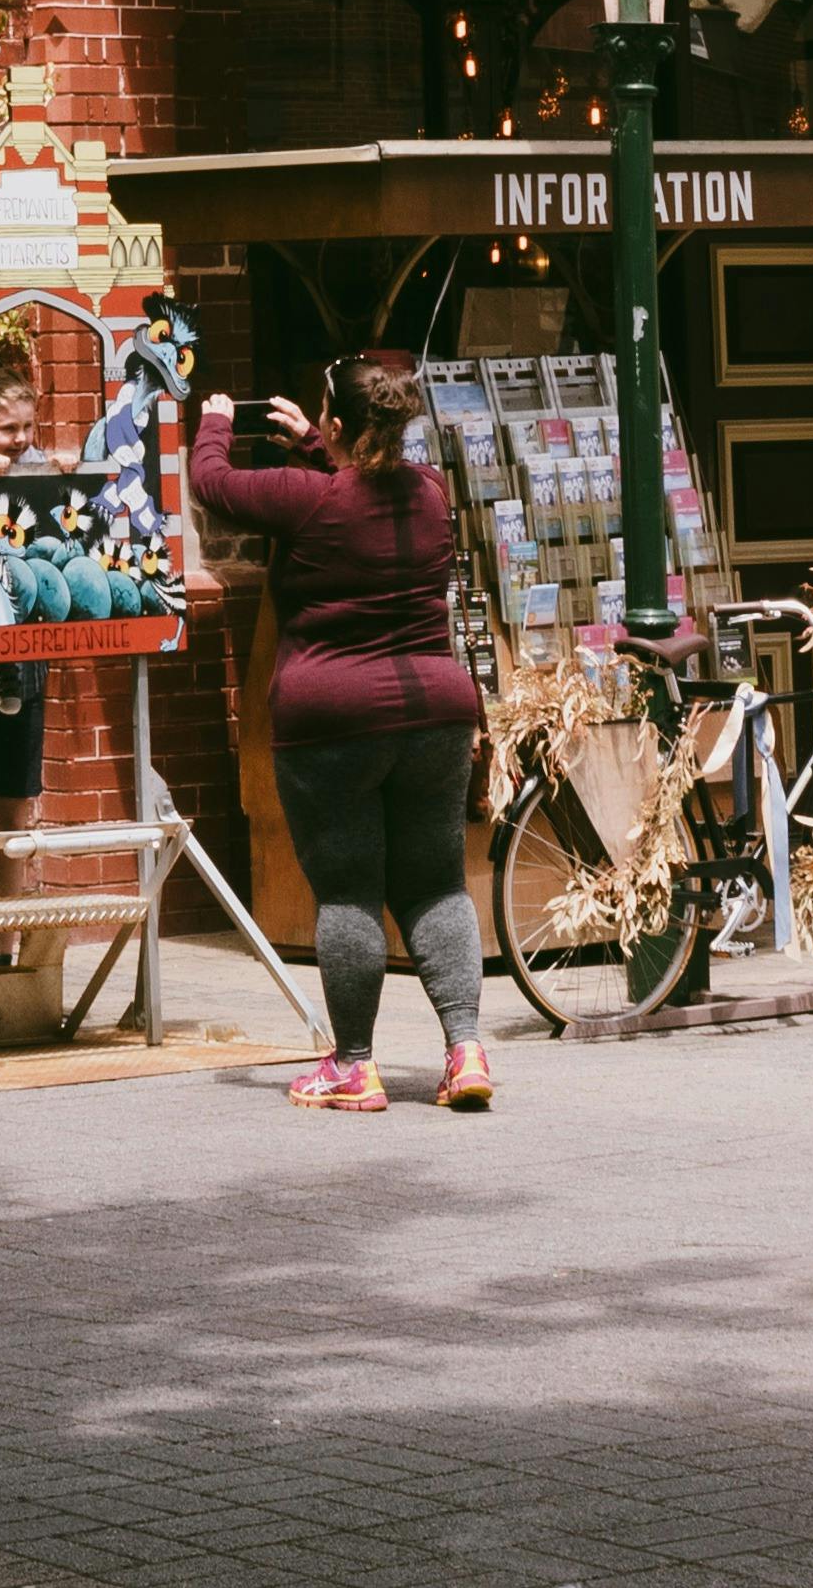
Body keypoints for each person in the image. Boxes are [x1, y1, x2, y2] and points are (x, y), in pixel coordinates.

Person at [194, 353, 489, 1112]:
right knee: (436, 881)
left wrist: (215, 422)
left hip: (332, 720)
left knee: (350, 889)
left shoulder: (305, 498)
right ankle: (466, 1050)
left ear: (335, 422)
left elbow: (214, 485)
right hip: (435, 711)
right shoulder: (429, 493)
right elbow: (365, 493)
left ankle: (355, 1065)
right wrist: (320, 446)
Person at [0, 343, 55, 835]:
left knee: (15, 800)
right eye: (8, 430)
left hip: (25, 651)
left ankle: (9, 909)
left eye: (27, 427)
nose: (20, 439)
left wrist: (57, 466)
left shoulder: (33, 459)